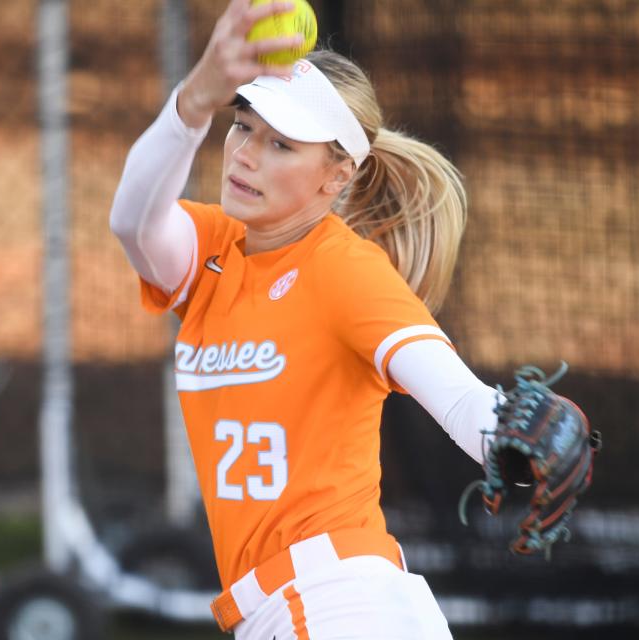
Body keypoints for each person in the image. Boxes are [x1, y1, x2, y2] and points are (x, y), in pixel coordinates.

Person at [109, 1, 501, 637]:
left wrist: (513, 438)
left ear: (336, 176)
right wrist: (194, 102)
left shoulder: (345, 270)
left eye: (282, 143)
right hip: (298, 605)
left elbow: (459, 398)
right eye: (243, 125)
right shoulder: (213, 249)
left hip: (335, 603)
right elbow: (133, 219)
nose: (245, 154)